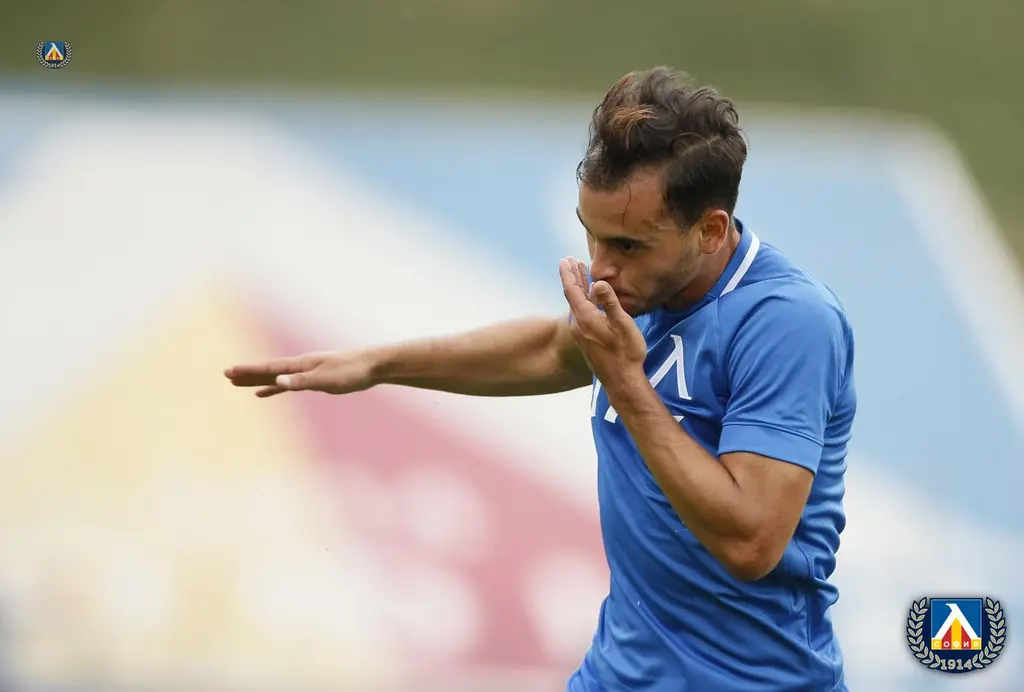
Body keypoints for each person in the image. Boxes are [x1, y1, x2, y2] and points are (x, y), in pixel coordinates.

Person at [224, 66, 855, 692]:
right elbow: (552, 350)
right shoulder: (644, 291)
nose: (600, 268)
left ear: (710, 230)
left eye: (628, 246)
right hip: (616, 677)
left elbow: (751, 543)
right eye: (591, 236)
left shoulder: (787, 321)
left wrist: (626, 383)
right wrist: (377, 365)